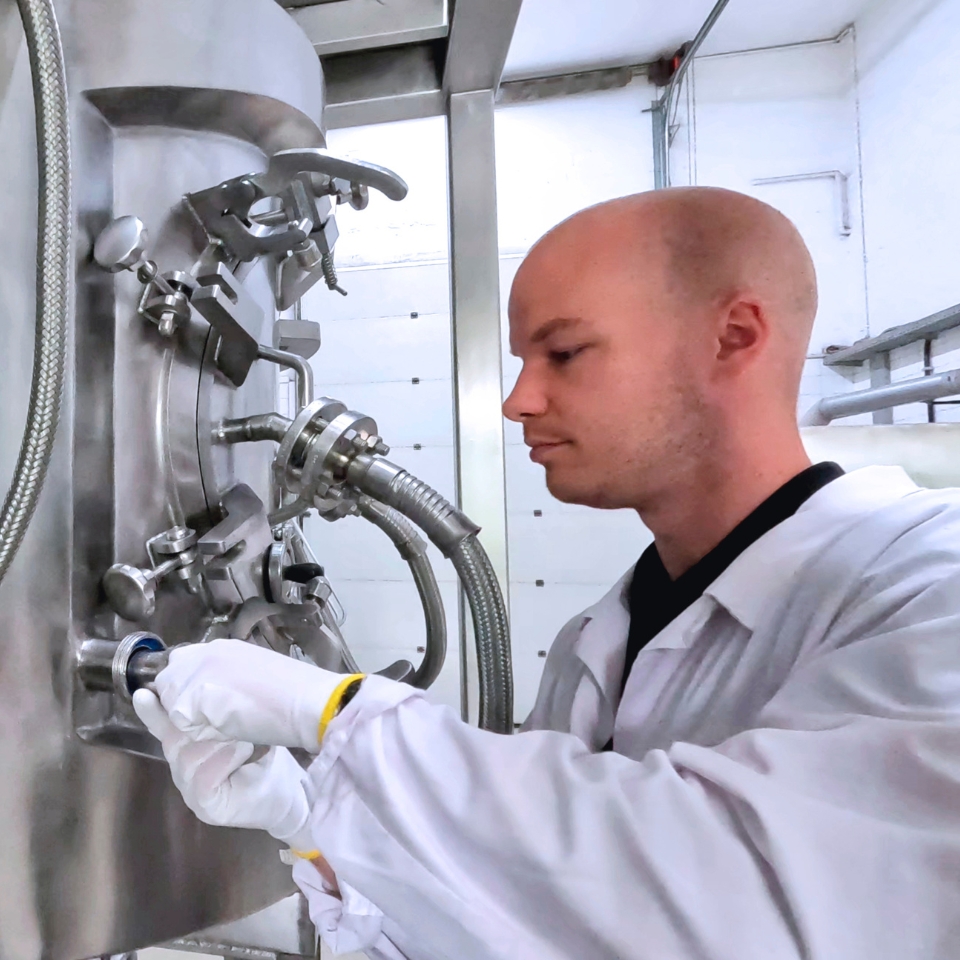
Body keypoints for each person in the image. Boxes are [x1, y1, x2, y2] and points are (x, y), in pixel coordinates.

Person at [135, 187, 960, 960]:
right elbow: (529, 925)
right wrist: (314, 827)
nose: (518, 400)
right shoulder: (595, 644)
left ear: (734, 337)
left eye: (564, 352)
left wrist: (343, 717)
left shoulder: (928, 587)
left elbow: (754, 908)